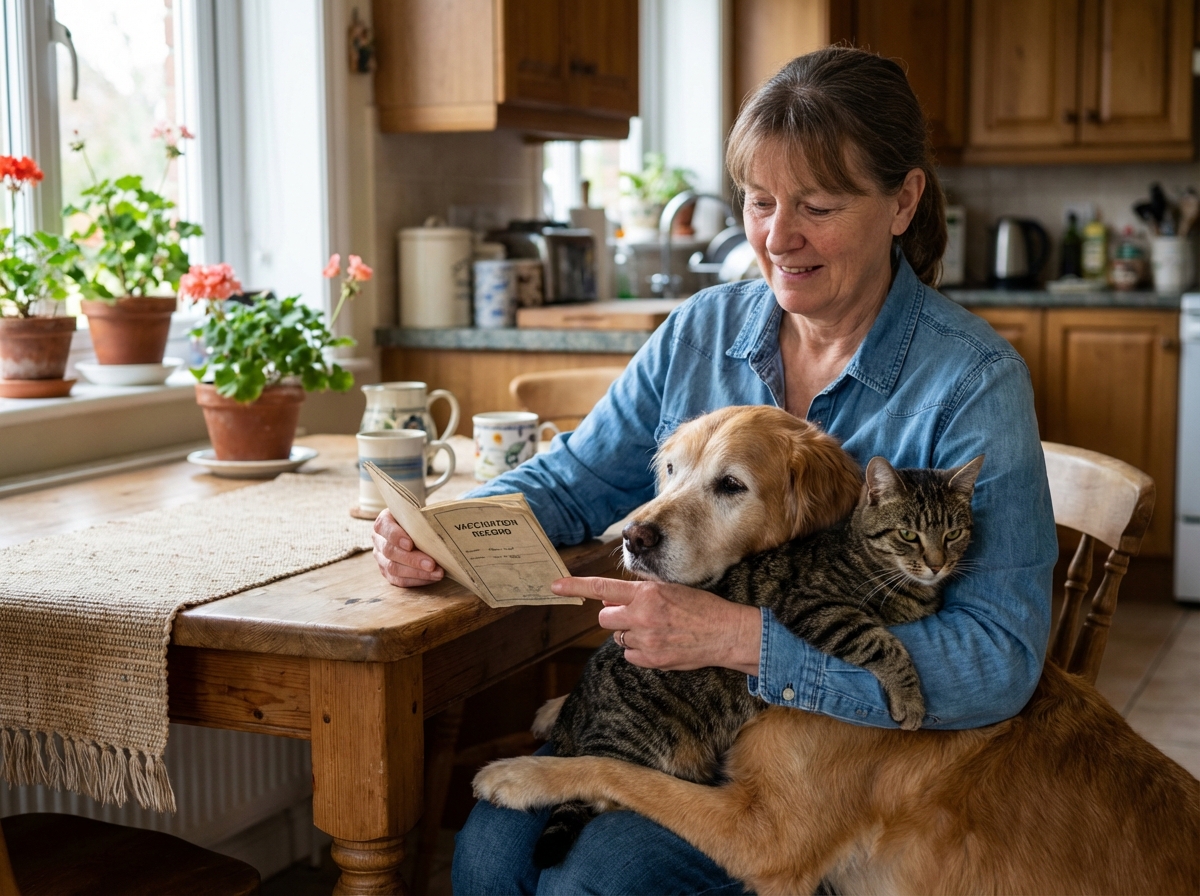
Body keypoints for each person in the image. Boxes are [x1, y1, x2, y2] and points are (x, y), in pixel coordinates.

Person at [374, 46, 1057, 895]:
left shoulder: (970, 382)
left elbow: (998, 658)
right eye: (760, 202)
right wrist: (441, 530)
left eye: (817, 205)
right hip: (673, 709)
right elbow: (572, 482)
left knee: (594, 884)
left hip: (830, 762)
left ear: (902, 201)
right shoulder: (701, 331)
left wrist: (744, 642)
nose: (777, 237)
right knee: (485, 856)